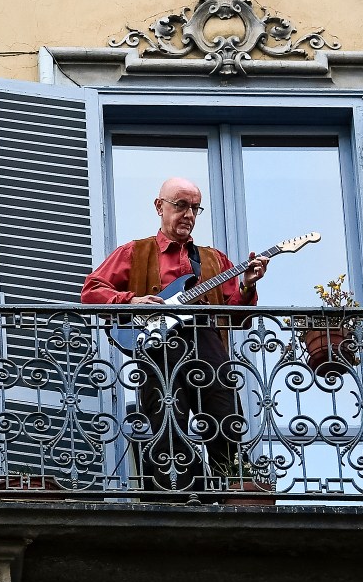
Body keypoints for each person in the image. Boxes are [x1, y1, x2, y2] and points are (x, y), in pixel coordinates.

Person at [81, 177, 270, 490]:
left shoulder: (214, 260)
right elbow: (91, 291)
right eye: (180, 205)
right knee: (166, 416)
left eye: (195, 208)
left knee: (223, 407)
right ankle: (174, 490)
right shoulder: (134, 252)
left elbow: (238, 318)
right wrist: (131, 300)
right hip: (157, 345)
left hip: (205, 344)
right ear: (160, 206)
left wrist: (248, 283)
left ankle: (235, 481)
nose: (189, 215)